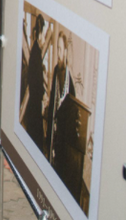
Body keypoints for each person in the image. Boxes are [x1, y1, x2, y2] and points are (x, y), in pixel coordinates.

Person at [46, 31, 77, 160]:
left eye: (60, 49)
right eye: (57, 49)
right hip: (54, 134)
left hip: (63, 138)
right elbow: (53, 101)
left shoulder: (69, 81)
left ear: (65, 51)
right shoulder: (56, 70)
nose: (58, 53)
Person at [21, 15, 48, 153]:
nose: (44, 38)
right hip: (35, 106)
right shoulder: (36, 54)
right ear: (40, 34)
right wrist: (43, 98)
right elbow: (35, 83)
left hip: (34, 104)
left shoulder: (35, 53)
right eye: (44, 34)